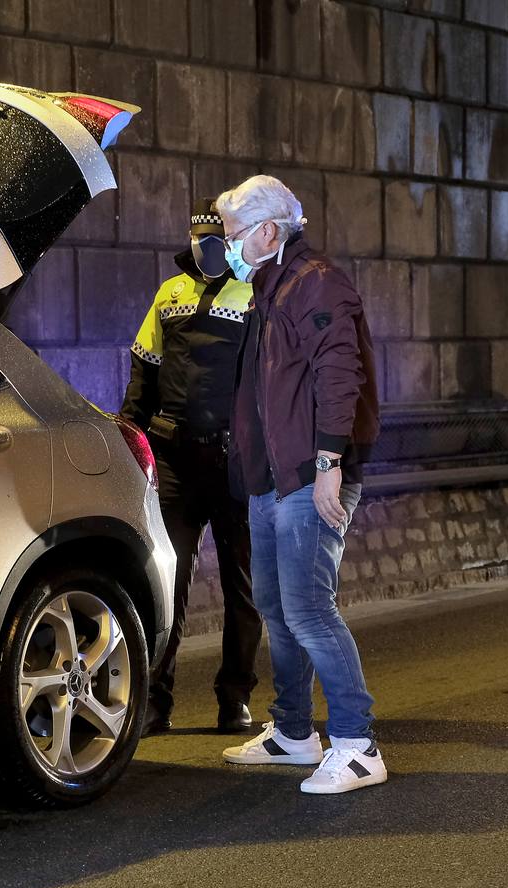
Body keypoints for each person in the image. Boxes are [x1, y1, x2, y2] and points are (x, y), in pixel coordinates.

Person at [214, 175, 386, 794]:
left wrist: (328, 465)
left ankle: (357, 744)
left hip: (308, 474)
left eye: (232, 233)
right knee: (277, 607)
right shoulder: (269, 286)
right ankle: (293, 732)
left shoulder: (314, 283)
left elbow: (340, 374)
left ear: (267, 231)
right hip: (271, 476)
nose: (225, 244)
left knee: (311, 609)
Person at [121, 197, 262, 735]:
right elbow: (144, 370)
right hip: (176, 459)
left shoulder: (253, 296)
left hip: (234, 463)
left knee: (241, 585)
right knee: (167, 580)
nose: (208, 249)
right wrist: (129, 435)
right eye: (200, 239)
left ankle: (235, 697)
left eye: (217, 240)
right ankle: (155, 700)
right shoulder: (169, 293)